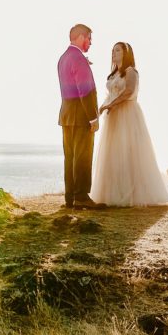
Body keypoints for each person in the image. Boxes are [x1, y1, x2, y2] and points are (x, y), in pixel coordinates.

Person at [91, 42, 168, 207]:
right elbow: (111, 94)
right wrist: (104, 106)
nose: (114, 53)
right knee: (114, 153)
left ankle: (135, 193)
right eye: (112, 50)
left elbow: (129, 92)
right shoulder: (113, 74)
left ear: (126, 53)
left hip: (127, 114)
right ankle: (114, 193)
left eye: (118, 50)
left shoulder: (131, 72)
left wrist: (111, 104)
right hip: (113, 117)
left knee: (130, 152)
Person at [57, 23, 100, 210]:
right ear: (81, 37)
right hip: (81, 116)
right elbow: (86, 91)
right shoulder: (78, 59)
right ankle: (81, 196)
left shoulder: (63, 58)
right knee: (82, 157)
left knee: (70, 157)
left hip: (66, 116)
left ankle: (70, 198)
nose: (90, 42)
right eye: (89, 38)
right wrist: (93, 118)